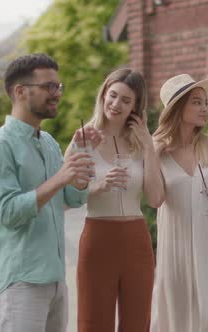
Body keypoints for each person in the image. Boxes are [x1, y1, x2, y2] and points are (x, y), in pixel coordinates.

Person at [0, 53, 101, 332]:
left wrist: (80, 162)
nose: (56, 94)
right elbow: (8, 213)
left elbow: (72, 199)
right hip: (21, 281)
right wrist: (59, 178)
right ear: (20, 92)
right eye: (48, 87)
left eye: (58, 87)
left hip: (55, 278)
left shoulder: (51, 143)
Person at [64, 68, 164, 332]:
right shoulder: (83, 138)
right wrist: (99, 185)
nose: (116, 104)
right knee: (93, 322)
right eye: (113, 95)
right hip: (98, 238)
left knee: (137, 322)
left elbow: (155, 198)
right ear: (103, 95)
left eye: (125, 100)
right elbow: (67, 197)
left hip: (137, 240)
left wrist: (149, 146)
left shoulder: (141, 143)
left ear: (135, 107)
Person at [150, 74, 208, 332]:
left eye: (204, 103)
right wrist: (153, 154)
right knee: (175, 319)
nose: (204, 108)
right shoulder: (157, 151)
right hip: (175, 252)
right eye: (196, 103)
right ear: (178, 109)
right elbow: (155, 200)